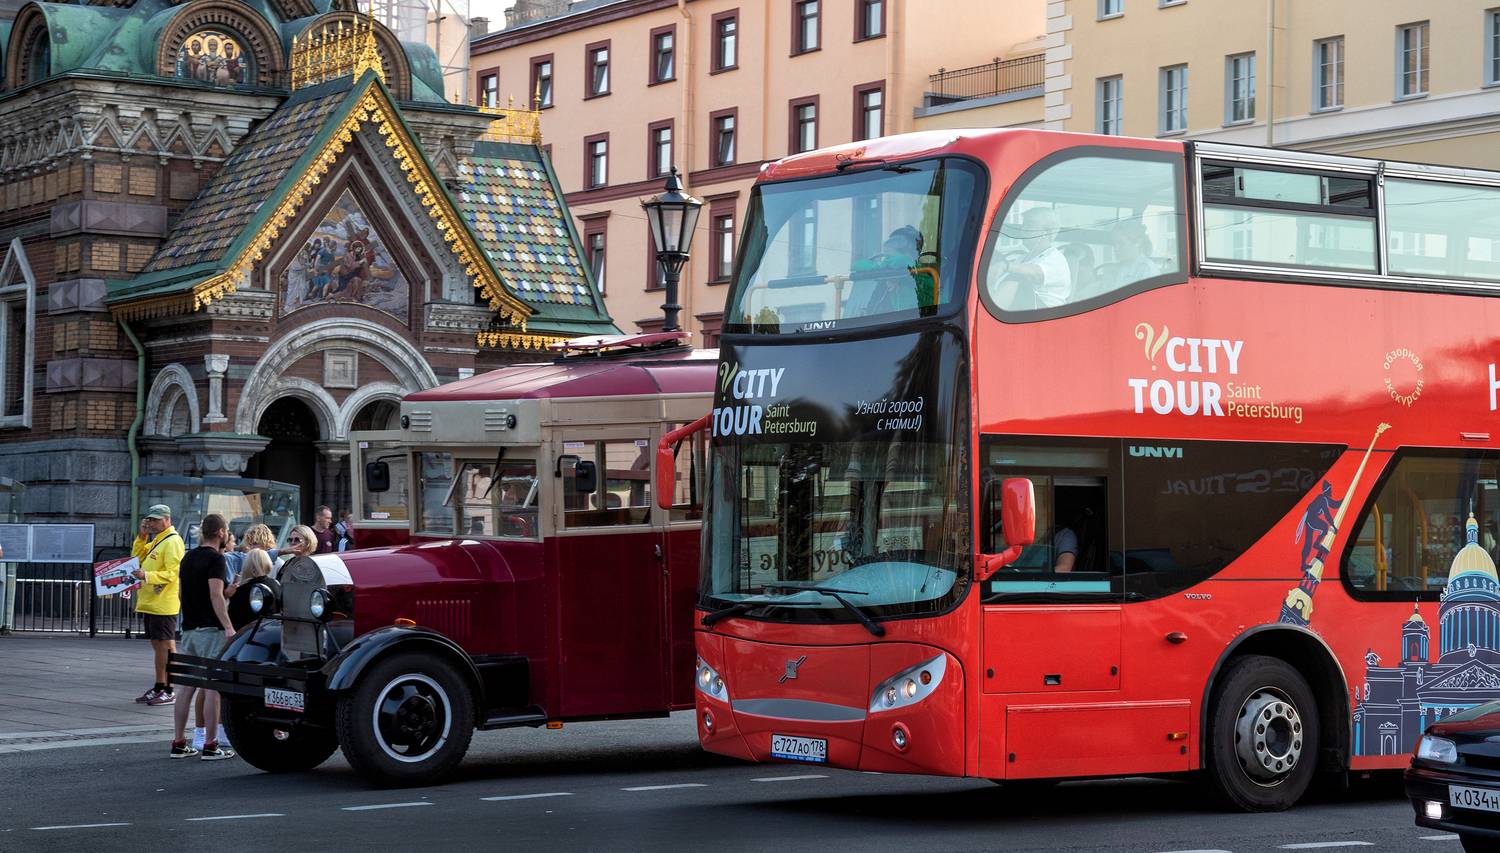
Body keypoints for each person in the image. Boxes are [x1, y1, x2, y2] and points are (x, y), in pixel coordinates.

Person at [170, 513, 236, 760]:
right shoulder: (216, 559)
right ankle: (210, 745)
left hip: (189, 628)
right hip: (210, 630)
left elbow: (182, 594)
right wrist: (228, 626)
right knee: (212, 688)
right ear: (220, 532)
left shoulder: (188, 557)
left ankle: (178, 742)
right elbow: (215, 595)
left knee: (186, 688)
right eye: (226, 530)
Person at [132, 505, 184, 707]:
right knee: (158, 646)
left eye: (154, 520)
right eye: (149, 520)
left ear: (166, 519)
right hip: (151, 602)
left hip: (163, 602)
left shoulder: (172, 541)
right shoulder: (158, 540)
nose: (151, 523)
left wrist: (147, 575)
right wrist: (142, 536)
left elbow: (173, 572)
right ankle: (159, 685)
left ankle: (168, 689)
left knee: (166, 646)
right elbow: (137, 557)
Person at [987, 207, 1071, 310]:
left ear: (1047, 232)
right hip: (1022, 310)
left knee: (1019, 277)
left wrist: (1005, 266)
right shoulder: (1022, 258)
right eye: (1023, 224)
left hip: (1044, 316)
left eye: (1029, 225)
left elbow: (1036, 272)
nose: (1023, 229)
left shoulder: (1056, 259)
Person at [1100, 219, 1160, 290]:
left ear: (1138, 242)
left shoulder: (1147, 270)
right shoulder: (1117, 269)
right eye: (1114, 244)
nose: (1116, 248)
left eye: (1121, 244)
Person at [227, 549, 273, 631]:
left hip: (246, 635)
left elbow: (233, 617)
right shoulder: (276, 584)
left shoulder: (243, 589)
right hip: (269, 633)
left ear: (247, 565)